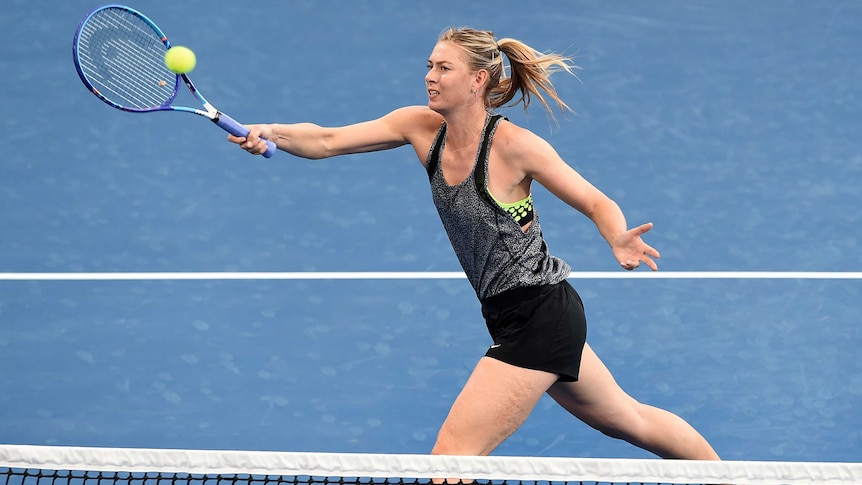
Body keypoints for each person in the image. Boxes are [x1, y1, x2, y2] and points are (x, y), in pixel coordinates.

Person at [229, 27, 721, 461]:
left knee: (451, 457)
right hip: (515, 314)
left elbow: (595, 201)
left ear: (477, 80)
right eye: (429, 66)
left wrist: (617, 236)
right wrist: (269, 132)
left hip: (540, 317)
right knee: (631, 421)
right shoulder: (420, 128)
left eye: (445, 68)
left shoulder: (514, 147)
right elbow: (328, 140)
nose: (430, 77)